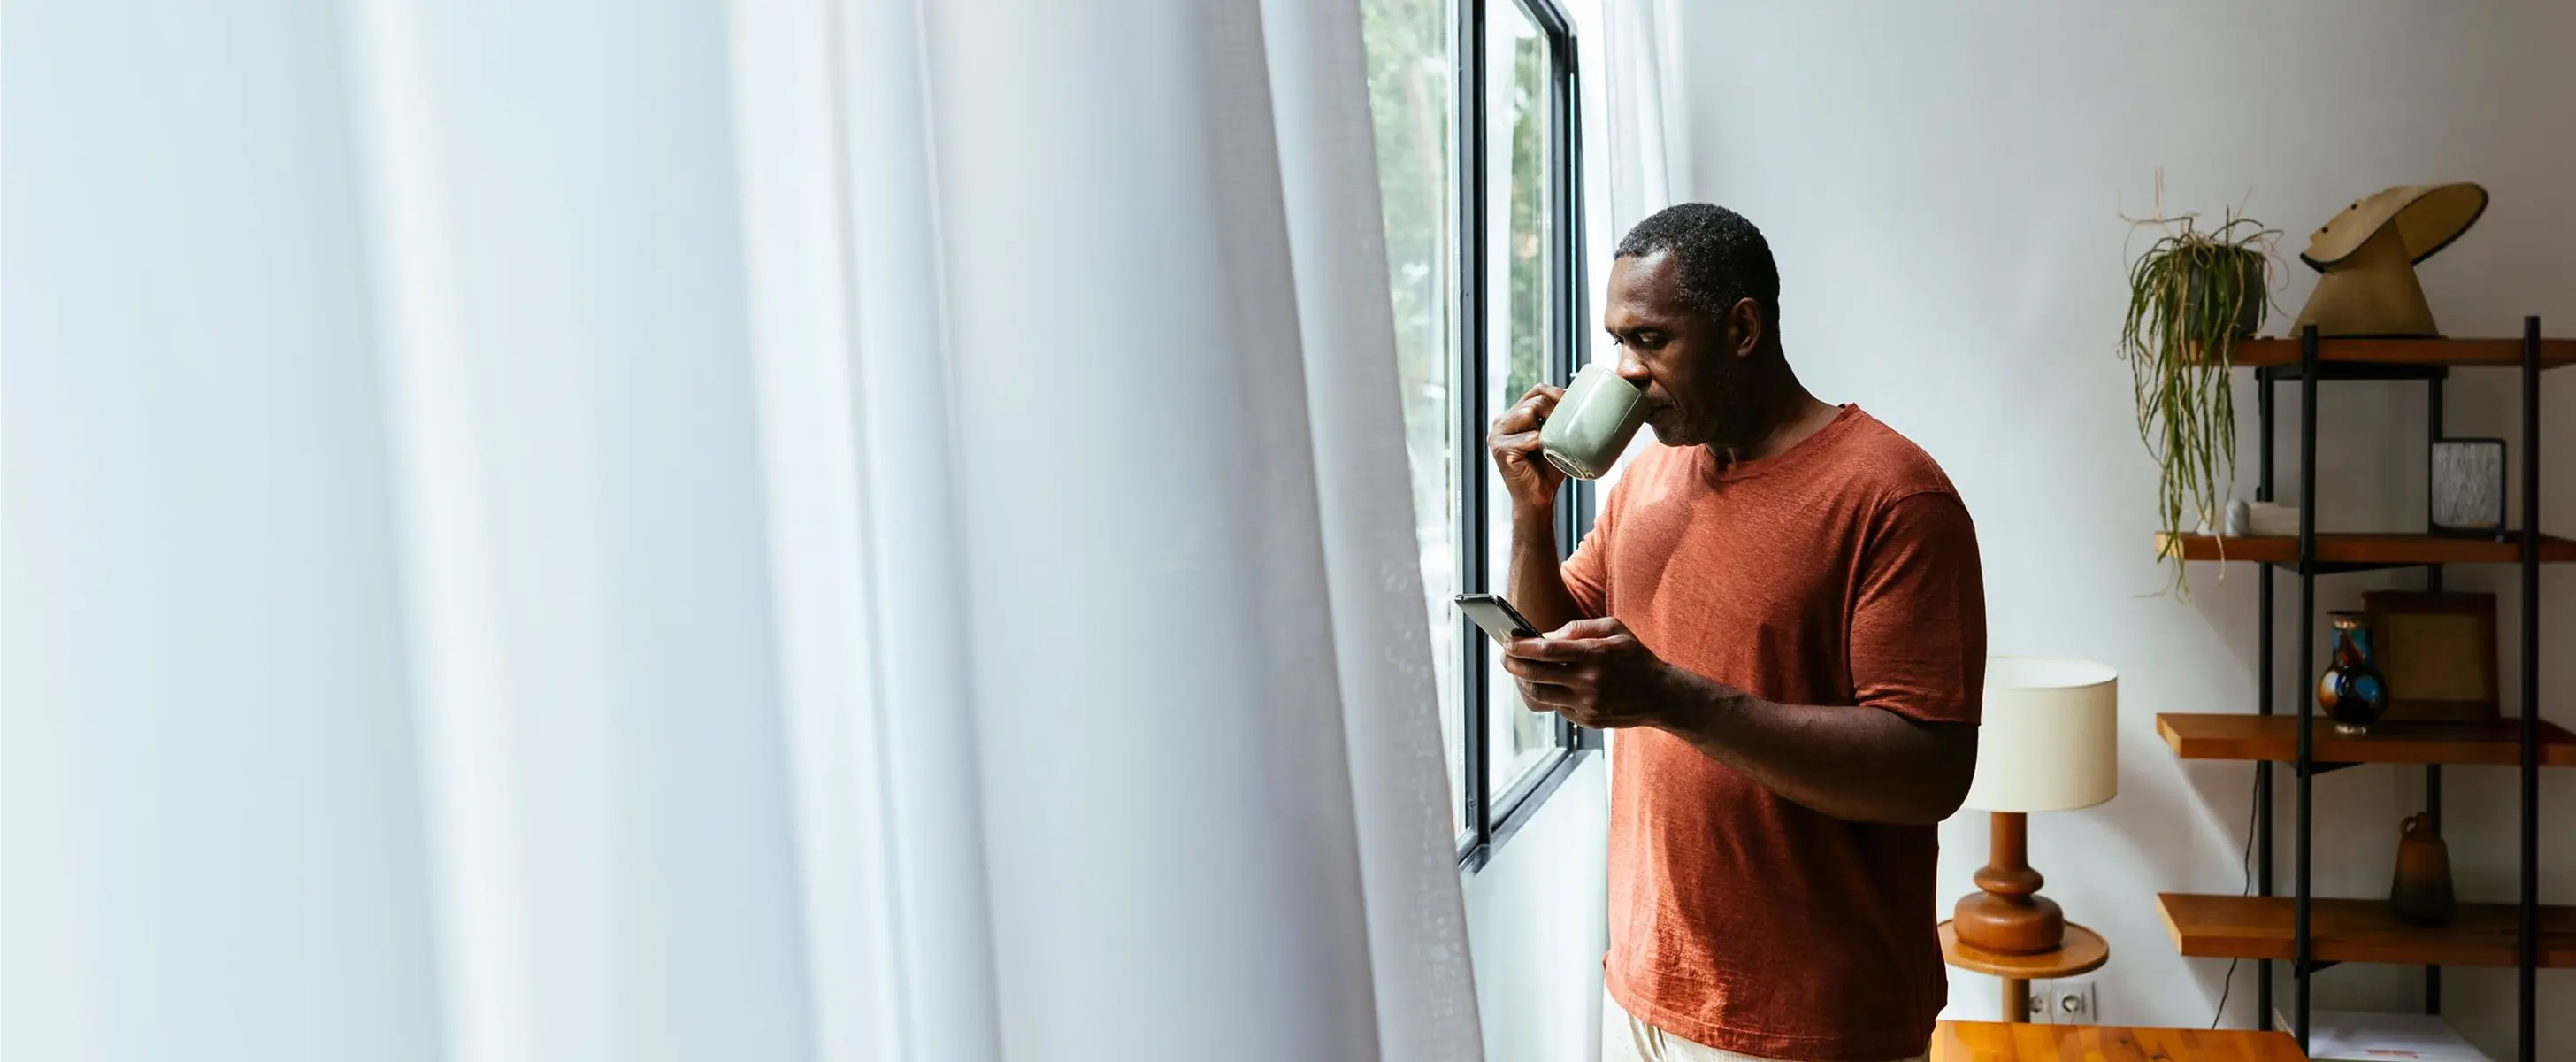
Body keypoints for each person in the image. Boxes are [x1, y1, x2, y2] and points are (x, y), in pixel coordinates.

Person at [1486, 203, 1986, 1062]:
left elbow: (1929, 771)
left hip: (1809, 1021)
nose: (1625, 370)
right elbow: (1557, 649)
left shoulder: (1894, 498)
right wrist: (1531, 518)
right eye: (1617, 342)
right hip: (1646, 987)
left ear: (1742, 329)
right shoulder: (1648, 477)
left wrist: (1669, 697)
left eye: (1651, 341)